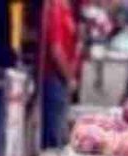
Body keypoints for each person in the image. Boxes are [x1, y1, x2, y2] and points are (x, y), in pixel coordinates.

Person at [41, 0, 82, 148]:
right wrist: (69, 78)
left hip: (60, 79)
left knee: (59, 132)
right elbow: (56, 50)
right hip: (54, 78)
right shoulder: (56, 8)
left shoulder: (66, 9)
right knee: (54, 136)